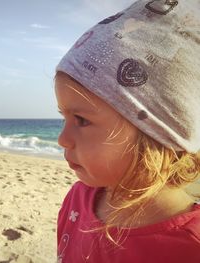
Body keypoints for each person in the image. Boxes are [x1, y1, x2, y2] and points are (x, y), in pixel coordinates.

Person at [54, 0, 200, 262]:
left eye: (81, 120)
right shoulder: (77, 199)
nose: (62, 140)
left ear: (157, 133)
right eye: (63, 117)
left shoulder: (190, 247)